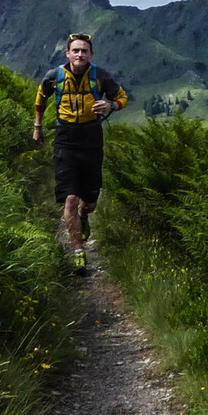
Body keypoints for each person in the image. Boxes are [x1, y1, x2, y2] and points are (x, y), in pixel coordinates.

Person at [33, 33, 127, 273]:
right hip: (65, 139)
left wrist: (110, 106)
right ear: (67, 53)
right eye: (75, 50)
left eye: (84, 51)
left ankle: (85, 217)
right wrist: (38, 127)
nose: (80, 55)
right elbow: (40, 99)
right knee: (71, 198)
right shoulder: (54, 77)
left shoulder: (100, 76)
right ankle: (78, 252)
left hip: (92, 138)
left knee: (90, 202)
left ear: (91, 55)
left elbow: (122, 98)